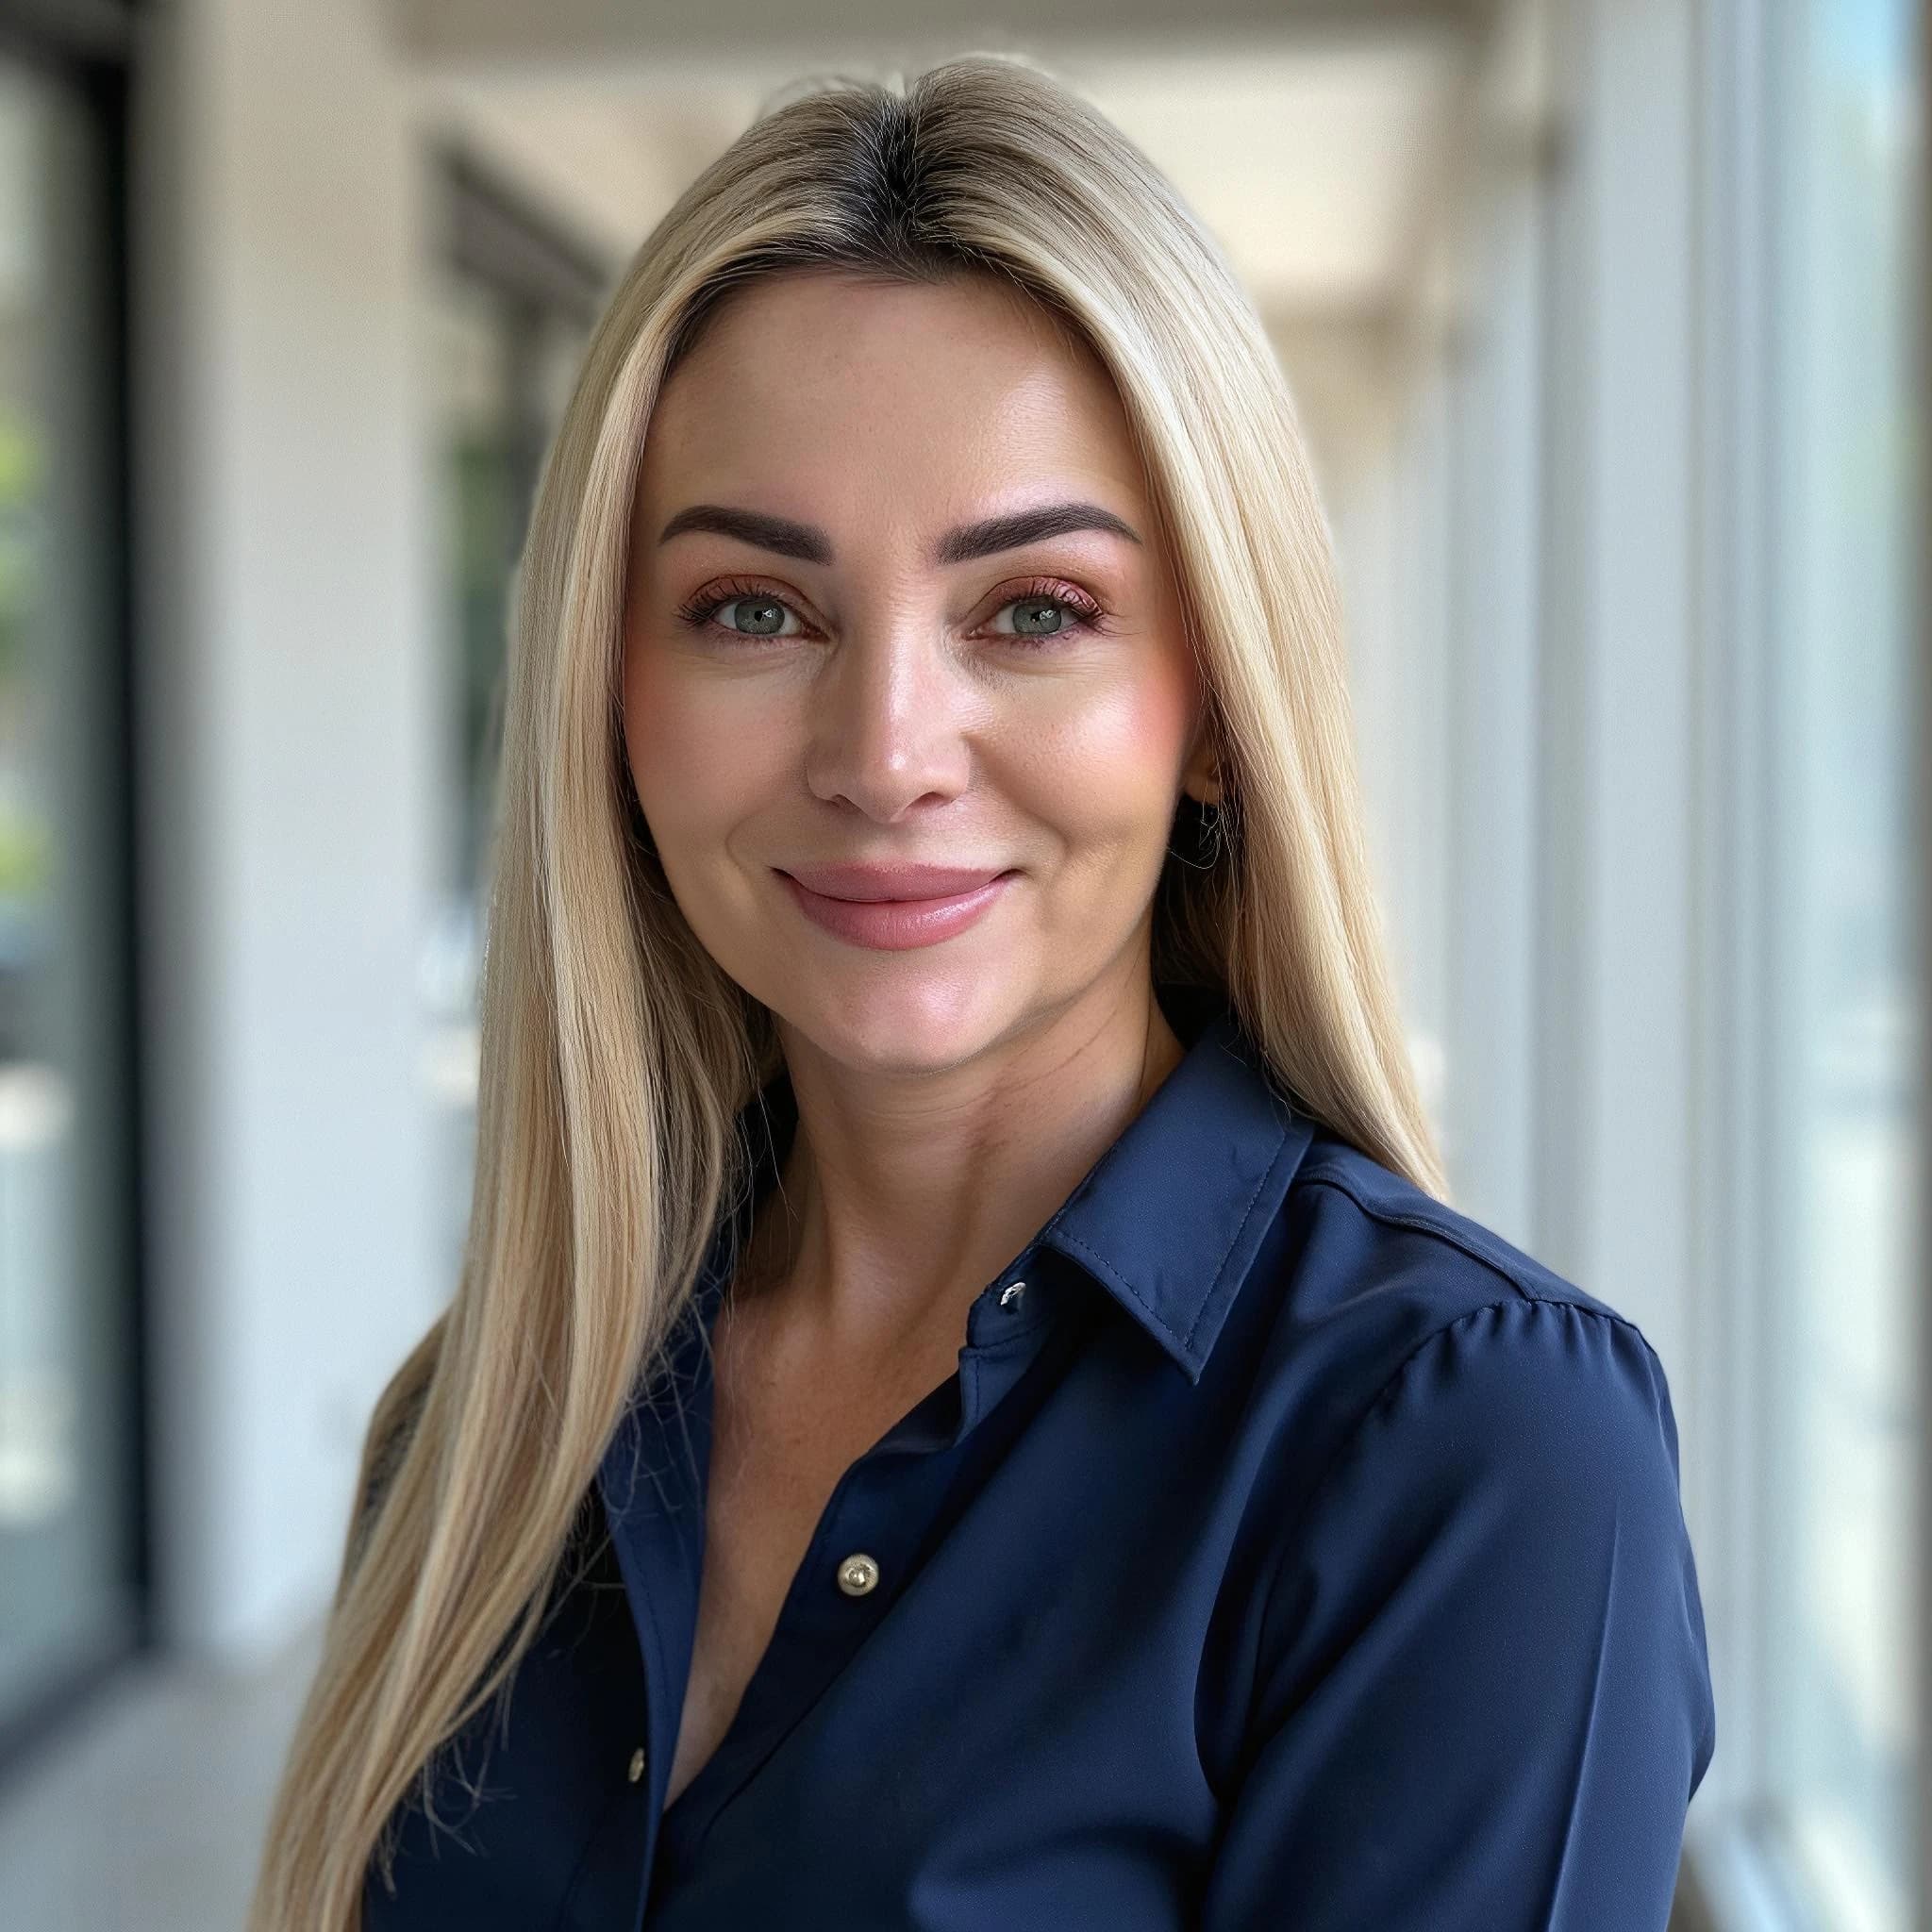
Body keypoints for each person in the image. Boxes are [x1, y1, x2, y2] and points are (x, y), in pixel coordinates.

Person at [248, 52, 1715, 1932]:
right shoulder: (472, 1443)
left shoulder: (1462, 1458)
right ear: (610, 708)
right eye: (753, 609)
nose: (883, 752)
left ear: (1208, 712)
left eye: (1033, 609)